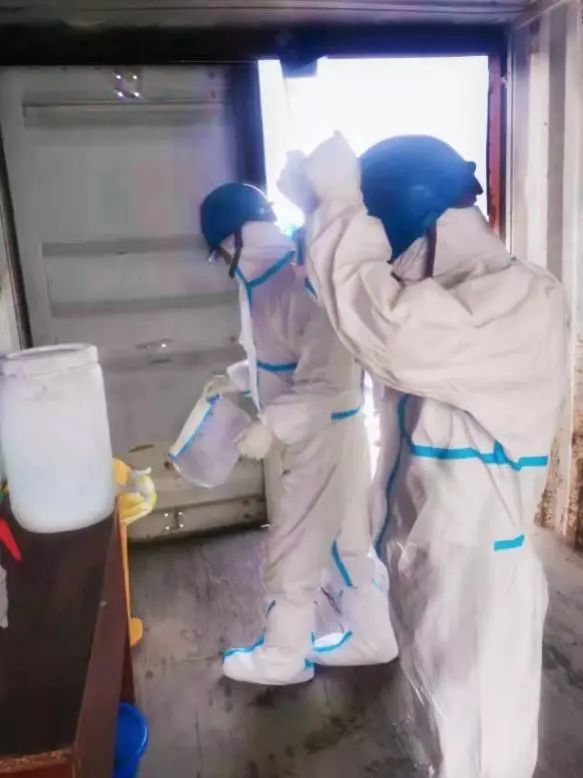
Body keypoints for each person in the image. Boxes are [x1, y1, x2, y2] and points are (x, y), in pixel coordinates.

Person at [278, 134, 569, 775]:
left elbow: (391, 332)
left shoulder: (518, 301)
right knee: (442, 736)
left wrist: (338, 212)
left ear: (420, 229)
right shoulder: (447, 294)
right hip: (432, 560)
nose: (390, 271)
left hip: (477, 577)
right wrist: (321, 214)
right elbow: (361, 315)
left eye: (391, 251)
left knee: (481, 749)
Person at [199, 182, 398, 685]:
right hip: (328, 433)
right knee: (348, 541)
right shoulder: (267, 278)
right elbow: (283, 359)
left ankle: (282, 656)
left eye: (220, 251)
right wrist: (241, 378)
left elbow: (330, 385)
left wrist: (269, 425)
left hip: (323, 436)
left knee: (295, 547)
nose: (221, 263)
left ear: (235, 239)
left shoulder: (297, 280)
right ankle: (373, 637)